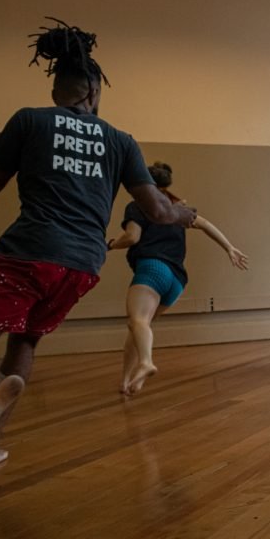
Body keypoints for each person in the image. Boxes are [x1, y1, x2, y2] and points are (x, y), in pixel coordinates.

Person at [0, 19, 197, 469]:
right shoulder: (120, 140)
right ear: (95, 92)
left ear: (57, 90)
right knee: (24, 342)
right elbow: (160, 211)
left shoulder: (30, 121)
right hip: (82, 266)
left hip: (27, 254)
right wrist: (186, 214)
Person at [107, 161, 248, 395]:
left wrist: (110, 245)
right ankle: (126, 382)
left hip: (153, 269)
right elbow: (205, 224)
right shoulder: (176, 208)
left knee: (137, 322)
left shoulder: (138, 206)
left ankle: (146, 362)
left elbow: (132, 237)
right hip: (176, 282)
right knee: (140, 326)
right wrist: (229, 247)